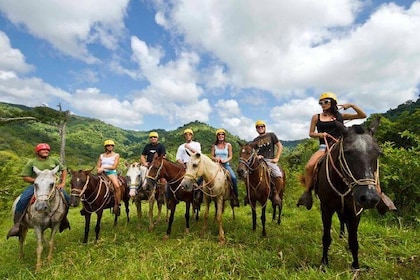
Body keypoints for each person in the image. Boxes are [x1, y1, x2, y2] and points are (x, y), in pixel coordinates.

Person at [296, 92, 367, 210]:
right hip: (324, 147)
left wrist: (351, 105)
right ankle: (307, 193)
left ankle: (378, 193)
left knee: (362, 160)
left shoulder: (340, 116)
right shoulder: (316, 117)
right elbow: (311, 133)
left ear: (332, 102)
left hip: (339, 146)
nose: (322, 104)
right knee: (309, 166)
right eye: (321, 102)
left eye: (325, 102)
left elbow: (362, 115)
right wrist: (321, 134)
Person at [7, 143, 71, 238]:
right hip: (36, 186)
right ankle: (17, 225)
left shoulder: (53, 160)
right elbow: (25, 177)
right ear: (38, 152)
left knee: (67, 199)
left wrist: (63, 183)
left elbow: (64, 170)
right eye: (43, 150)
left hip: (52, 186)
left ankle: (63, 220)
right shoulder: (32, 163)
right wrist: (38, 181)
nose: (46, 151)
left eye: (47, 150)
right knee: (22, 200)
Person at [253, 120, 284, 206]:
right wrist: (257, 156)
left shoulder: (271, 135)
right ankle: (250, 195)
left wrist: (277, 158)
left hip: (269, 160)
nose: (260, 128)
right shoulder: (255, 140)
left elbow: (280, 146)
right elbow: (253, 152)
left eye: (262, 126)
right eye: (258, 127)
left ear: (265, 127)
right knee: (248, 173)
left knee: (278, 175)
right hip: (259, 161)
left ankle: (276, 194)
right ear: (256, 129)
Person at [211, 129, 240, 207]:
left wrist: (225, 160)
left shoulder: (228, 145)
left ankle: (235, 196)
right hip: (216, 165)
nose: (221, 136)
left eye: (222, 134)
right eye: (219, 135)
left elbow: (230, 156)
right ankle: (198, 194)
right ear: (217, 136)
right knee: (203, 177)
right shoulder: (214, 146)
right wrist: (216, 159)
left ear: (224, 136)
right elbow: (212, 156)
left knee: (233, 178)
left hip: (226, 165)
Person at [96, 139, 123, 216]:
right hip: (101, 173)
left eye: (111, 145)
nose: (110, 146)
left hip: (111, 172)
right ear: (105, 147)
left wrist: (103, 167)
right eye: (108, 145)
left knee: (117, 186)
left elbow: (114, 166)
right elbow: (98, 165)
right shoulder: (101, 155)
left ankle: (117, 203)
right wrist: (98, 169)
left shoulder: (116, 155)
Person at [141, 131, 167, 203]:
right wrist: (144, 162)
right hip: (149, 166)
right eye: (151, 137)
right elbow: (142, 156)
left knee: (162, 181)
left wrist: (157, 163)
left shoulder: (161, 146)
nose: (153, 138)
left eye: (154, 137)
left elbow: (164, 156)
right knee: (141, 177)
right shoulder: (147, 146)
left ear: (157, 138)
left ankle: (162, 195)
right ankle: (139, 194)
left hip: (158, 167)